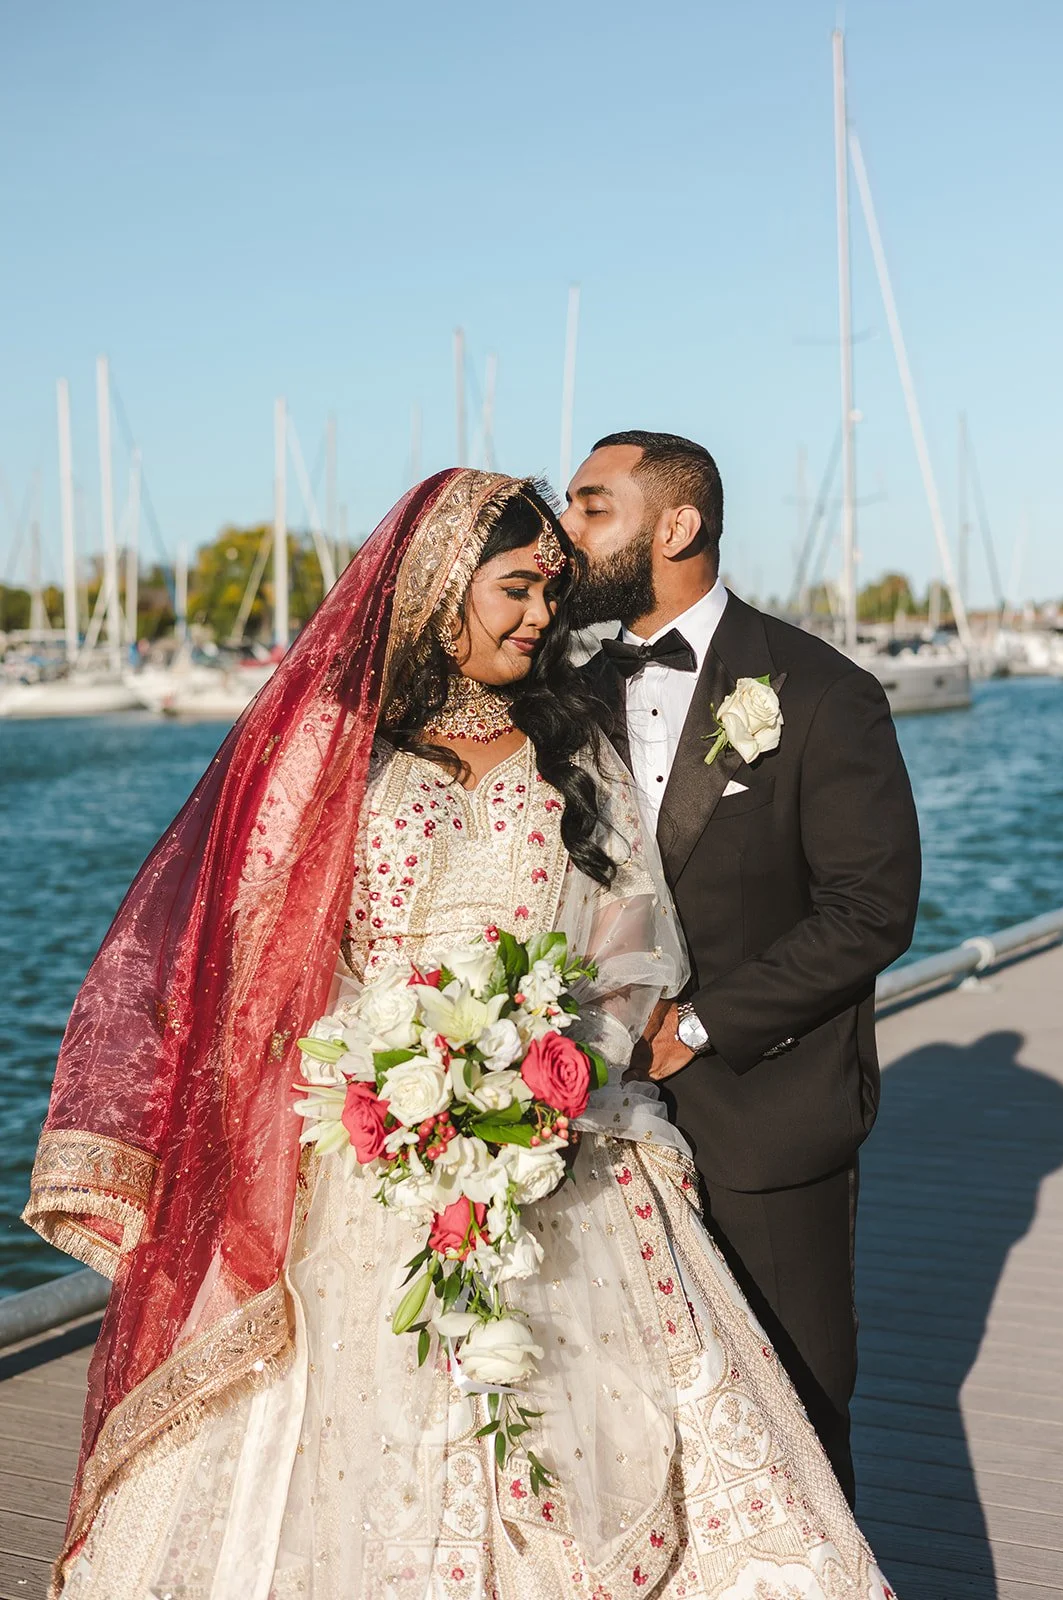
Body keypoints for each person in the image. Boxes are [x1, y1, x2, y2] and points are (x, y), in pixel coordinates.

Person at [26, 468, 894, 1599]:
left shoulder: (572, 748)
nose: (543, 614)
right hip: (367, 1155)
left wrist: (560, 1067)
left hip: (553, 1133)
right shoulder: (330, 752)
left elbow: (630, 945)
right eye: (518, 589)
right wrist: (381, 1082)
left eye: (548, 589)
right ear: (440, 589)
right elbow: (250, 957)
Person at [564, 430, 922, 1508]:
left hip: (763, 1114)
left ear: (674, 527)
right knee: (628, 1423)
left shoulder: (821, 692)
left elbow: (870, 908)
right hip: (587, 1125)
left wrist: (699, 1024)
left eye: (591, 507)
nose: (567, 531)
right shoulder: (566, 697)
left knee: (796, 1421)